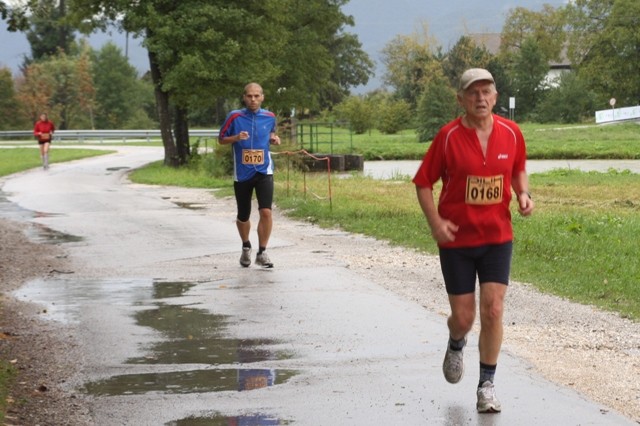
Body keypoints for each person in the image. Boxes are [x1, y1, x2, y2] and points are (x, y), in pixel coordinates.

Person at [413, 68, 534, 413]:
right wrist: (435, 223)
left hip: (497, 236)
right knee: (464, 317)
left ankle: (487, 386)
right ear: (461, 99)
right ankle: (455, 342)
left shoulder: (512, 133)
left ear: (495, 96)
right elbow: (423, 182)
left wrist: (523, 193)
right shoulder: (448, 136)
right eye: (473, 93)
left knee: (494, 310)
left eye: (486, 92)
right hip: (457, 240)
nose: (480, 99)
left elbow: (518, 168)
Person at [219, 82, 281, 268]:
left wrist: (274, 138)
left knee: (266, 211)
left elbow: (272, 133)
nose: (253, 99)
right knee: (243, 215)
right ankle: (246, 246)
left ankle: (262, 252)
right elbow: (221, 139)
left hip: (264, 170)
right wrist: (236, 138)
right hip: (243, 173)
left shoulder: (270, 116)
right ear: (244, 97)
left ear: (262, 97)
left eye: (256, 96)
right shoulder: (234, 116)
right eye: (249, 96)